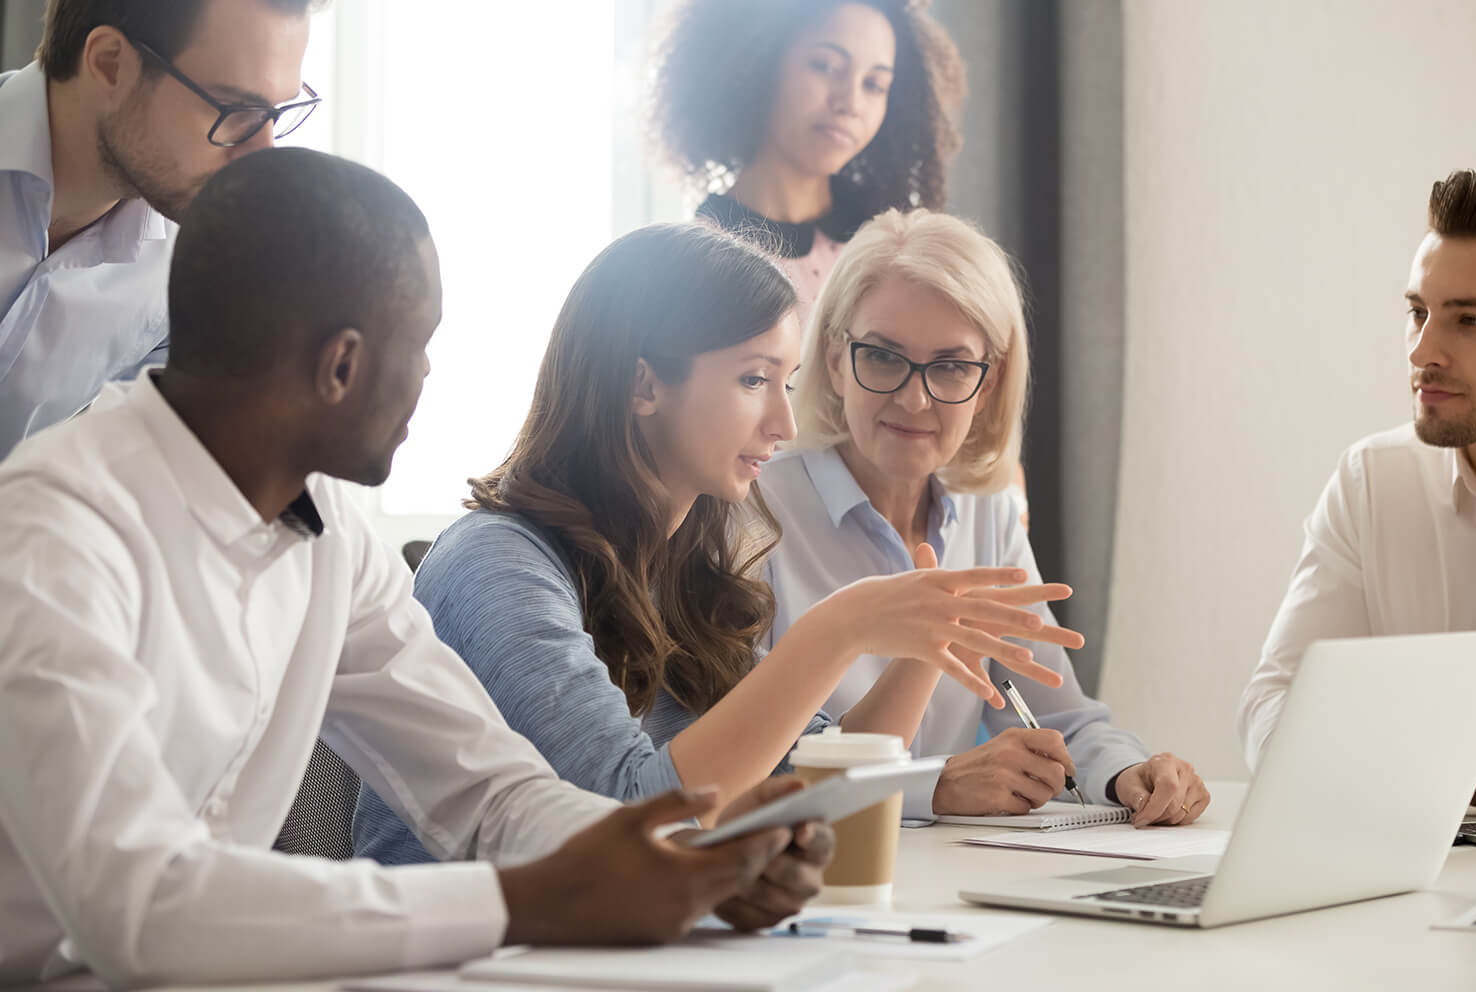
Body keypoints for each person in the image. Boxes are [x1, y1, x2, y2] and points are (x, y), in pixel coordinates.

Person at [0, 148, 834, 988]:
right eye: (423, 345)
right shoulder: (53, 532)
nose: (429, 379)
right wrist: (524, 902)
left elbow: (489, 792)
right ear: (342, 366)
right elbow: (138, 910)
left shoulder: (330, 529)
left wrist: (695, 863)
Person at [352, 221, 1080, 865]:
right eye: (753, 379)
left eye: (784, 383)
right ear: (644, 385)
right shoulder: (497, 564)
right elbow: (631, 814)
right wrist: (838, 630)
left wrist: (929, 634)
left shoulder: (676, 568)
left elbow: (827, 784)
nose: (785, 424)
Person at [762, 208, 1211, 825]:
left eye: (950, 366)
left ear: (989, 382)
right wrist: (934, 786)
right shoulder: (752, 509)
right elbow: (760, 764)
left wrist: (1128, 776)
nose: (915, 398)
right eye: (884, 357)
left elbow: (1059, 720)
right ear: (837, 361)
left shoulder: (987, 512)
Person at [1240, 169, 1476, 804]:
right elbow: (1272, 705)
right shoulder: (1375, 481)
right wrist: (1422, 763)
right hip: (1428, 881)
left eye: (1470, 320)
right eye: (1418, 313)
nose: (1423, 352)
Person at [0, 0, 322, 458]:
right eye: (234, 108)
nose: (260, 152)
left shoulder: (195, 268)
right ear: (110, 64)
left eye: (274, 112)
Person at [650, 0, 965, 317]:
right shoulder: (695, 265)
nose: (851, 103)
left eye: (873, 84)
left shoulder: (890, 248)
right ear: (760, 61)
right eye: (825, 66)